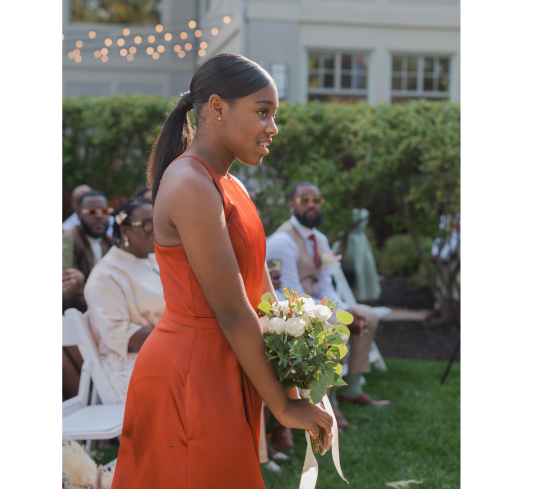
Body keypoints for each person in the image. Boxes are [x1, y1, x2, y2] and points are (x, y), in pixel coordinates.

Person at [113, 53, 333, 488]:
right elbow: (232, 312)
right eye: (262, 112)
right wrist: (284, 407)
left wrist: (296, 379)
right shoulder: (190, 184)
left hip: (230, 363)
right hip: (192, 373)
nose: (273, 127)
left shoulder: (232, 185)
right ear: (217, 108)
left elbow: (263, 295)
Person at [266, 181, 391, 425]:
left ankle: (353, 390)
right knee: (337, 329)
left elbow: (325, 285)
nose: (311, 204)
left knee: (367, 315)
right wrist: (337, 315)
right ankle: (328, 402)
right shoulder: (282, 240)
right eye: (304, 200)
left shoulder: (320, 239)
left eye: (316, 200)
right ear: (291, 205)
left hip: (316, 304)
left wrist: (346, 310)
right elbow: (292, 293)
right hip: (291, 310)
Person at [82, 196, 163, 404]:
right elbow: (119, 335)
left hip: (169, 350)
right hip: (132, 365)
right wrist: (179, 337)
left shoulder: (154, 259)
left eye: (157, 222)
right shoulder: (105, 276)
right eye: (147, 224)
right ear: (125, 231)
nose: (155, 230)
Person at [63, 190, 114, 312]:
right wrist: (76, 285)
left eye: (104, 211)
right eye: (92, 211)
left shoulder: (111, 242)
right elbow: (65, 292)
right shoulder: (66, 243)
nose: (99, 216)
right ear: (78, 215)